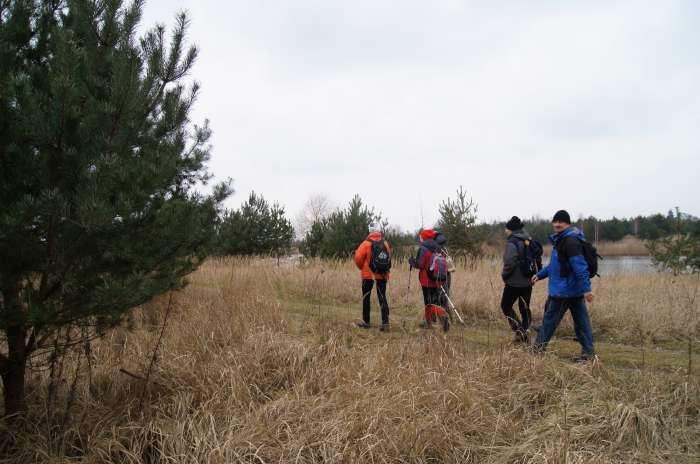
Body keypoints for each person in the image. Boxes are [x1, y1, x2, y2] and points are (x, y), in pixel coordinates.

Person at [531, 210, 596, 361]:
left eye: (561, 222)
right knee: (582, 324)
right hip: (573, 291)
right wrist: (540, 275)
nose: (557, 224)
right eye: (555, 221)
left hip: (564, 291)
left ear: (568, 223)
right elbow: (555, 266)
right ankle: (588, 354)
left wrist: (587, 289)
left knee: (549, 322)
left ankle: (536, 352)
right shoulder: (562, 240)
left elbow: (580, 267)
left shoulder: (570, 242)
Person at [501, 216, 534, 343]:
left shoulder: (512, 242)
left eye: (506, 228)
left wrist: (504, 275)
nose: (505, 230)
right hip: (528, 280)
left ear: (511, 229)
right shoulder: (528, 239)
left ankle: (520, 331)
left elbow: (509, 262)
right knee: (524, 308)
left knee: (505, 306)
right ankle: (525, 331)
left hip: (513, 282)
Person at [409, 229, 450, 331]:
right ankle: (430, 321)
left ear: (424, 237)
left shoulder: (423, 248)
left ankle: (442, 316)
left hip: (426, 279)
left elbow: (420, 264)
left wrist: (412, 261)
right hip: (437, 279)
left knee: (428, 303)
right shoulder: (439, 247)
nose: (420, 238)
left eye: (421, 237)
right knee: (434, 302)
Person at [354, 223, 391, 331]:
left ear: (370, 231)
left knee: (366, 298)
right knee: (382, 297)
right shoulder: (385, 243)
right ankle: (385, 322)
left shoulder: (365, 244)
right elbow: (388, 258)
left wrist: (362, 268)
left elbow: (358, 258)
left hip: (368, 275)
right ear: (378, 231)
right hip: (382, 274)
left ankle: (366, 322)